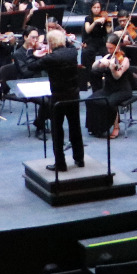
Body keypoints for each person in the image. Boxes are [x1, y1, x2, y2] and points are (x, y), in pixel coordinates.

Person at [36, 28, 86, 171]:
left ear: (51, 43)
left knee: (57, 131)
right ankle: (79, 159)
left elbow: (32, 66)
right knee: (75, 127)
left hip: (58, 98)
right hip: (73, 96)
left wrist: (36, 52)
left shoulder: (50, 58)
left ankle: (61, 163)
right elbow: (70, 45)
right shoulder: (72, 52)